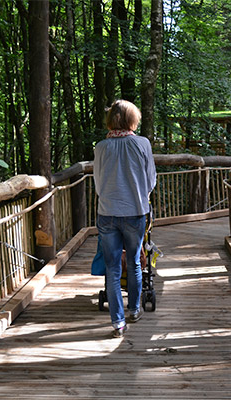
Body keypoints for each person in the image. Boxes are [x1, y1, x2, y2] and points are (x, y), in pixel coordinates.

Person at [94, 99, 156, 338]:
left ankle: (118, 322)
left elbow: (98, 184)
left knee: (112, 268)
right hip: (135, 212)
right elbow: (150, 180)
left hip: (107, 213)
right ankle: (134, 309)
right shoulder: (142, 144)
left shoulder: (101, 148)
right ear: (132, 120)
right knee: (134, 262)